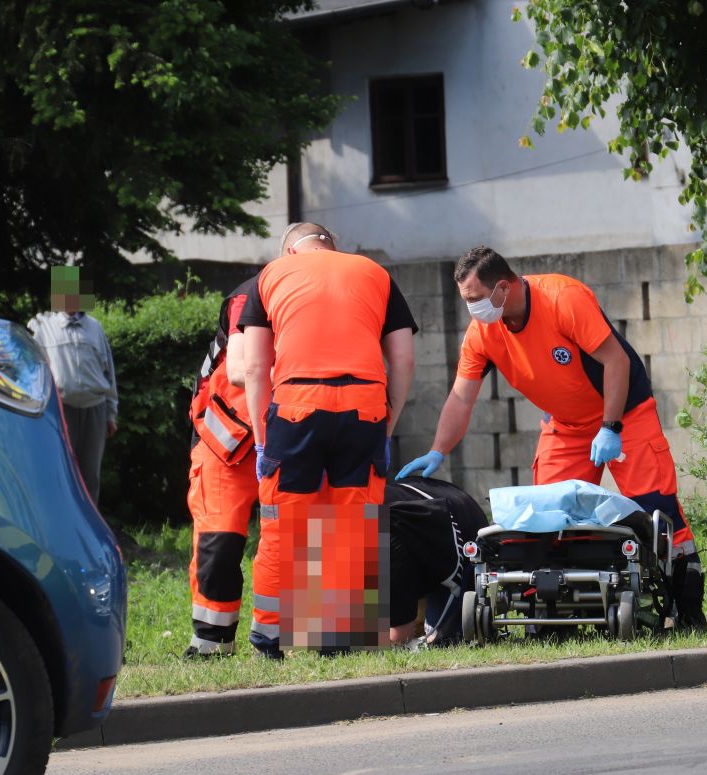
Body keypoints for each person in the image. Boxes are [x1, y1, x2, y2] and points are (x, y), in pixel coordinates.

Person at [397, 246, 707, 627]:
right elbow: (462, 396)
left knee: (656, 508)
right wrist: (438, 451)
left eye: (476, 299)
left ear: (504, 288)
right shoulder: (483, 332)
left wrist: (610, 427)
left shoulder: (563, 299)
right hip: (565, 424)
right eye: (467, 300)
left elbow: (617, 361)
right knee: (546, 522)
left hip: (625, 413)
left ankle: (687, 605)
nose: (472, 309)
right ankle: (566, 610)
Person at [233, 222, 417, 657]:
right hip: (365, 406)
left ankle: (270, 637)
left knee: (285, 524)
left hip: (297, 405)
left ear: (291, 251)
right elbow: (404, 360)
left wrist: (263, 440)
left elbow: (257, 369)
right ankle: (336, 636)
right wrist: (387, 425)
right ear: (334, 247)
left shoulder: (271, 275)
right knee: (350, 524)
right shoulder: (374, 273)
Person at [183, 276, 263, 657]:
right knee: (220, 538)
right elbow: (239, 369)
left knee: (314, 535)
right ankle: (211, 643)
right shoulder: (249, 294)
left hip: (289, 431)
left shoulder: (337, 292)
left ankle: (323, 640)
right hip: (228, 440)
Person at [29, 265, 118, 504]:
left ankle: (88, 534)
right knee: (59, 472)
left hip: (94, 410)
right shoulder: (41, 326)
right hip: (60, 409)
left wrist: (111, 412)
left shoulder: (95, 327)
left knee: (89, 476)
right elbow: (31, 370)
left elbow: (108, 372)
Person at [386, 477, 488, 647]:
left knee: (443, 640)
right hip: (419, 513)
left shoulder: (390, 545)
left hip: (458, 524)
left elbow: (399, 638)